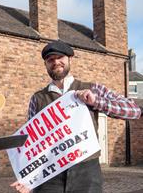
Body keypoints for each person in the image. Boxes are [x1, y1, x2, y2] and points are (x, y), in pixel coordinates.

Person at [11, 40, 141, 193]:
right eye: (50, 60)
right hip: (49, 176)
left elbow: (134, 110)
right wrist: (28, 180)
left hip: (86, 173)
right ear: (45, 64)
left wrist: (96, 101)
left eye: (60, 57)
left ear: (70, 59)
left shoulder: (92, 89)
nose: (56, 62)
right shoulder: (37, 98)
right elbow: (31, 142)